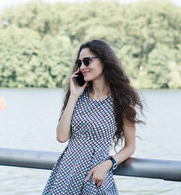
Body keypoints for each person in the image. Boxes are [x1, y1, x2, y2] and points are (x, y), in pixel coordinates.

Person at [43, 39, 144, 195]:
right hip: (66, 173)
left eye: (87, 61)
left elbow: (130, 147)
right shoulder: (78, 96)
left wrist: (108, 164)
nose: (82, 67)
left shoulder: (122, 101)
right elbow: (62, 137)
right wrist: (74, 95)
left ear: (104, 61)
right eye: (79, 63)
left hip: (95, 174)